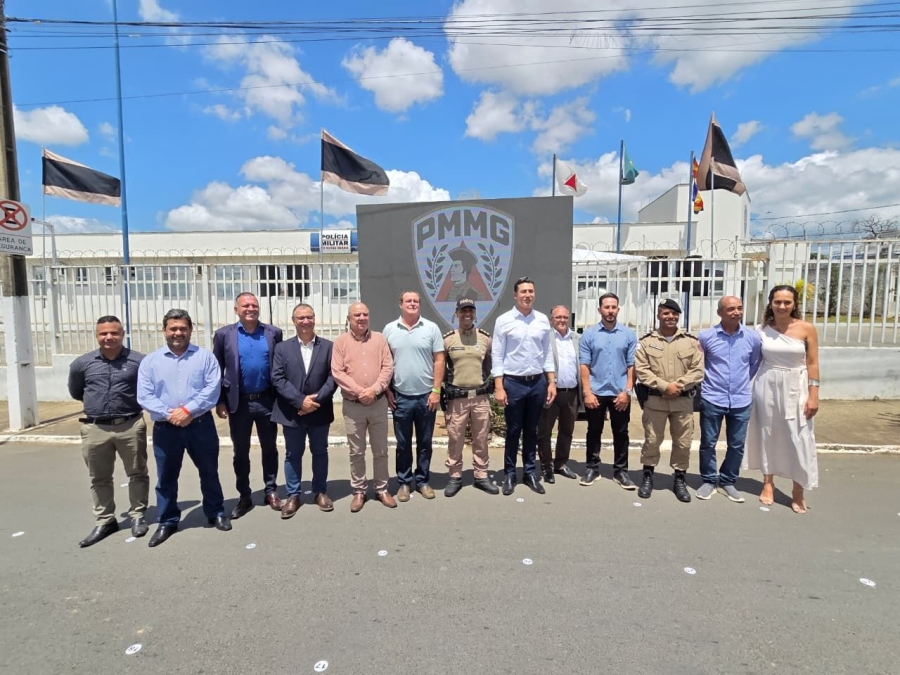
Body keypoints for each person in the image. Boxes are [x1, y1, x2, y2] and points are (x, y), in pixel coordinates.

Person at [137, 309, 230, 547]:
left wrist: (188, 410)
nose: (178, 333)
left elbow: (212, 389)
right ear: (164, 330)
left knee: (209, 471)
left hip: (200, 424)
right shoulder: (151, 361)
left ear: (190, 330)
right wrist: (171, 415)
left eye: (183, 328)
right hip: (165, 427)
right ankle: (167, 520)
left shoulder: (205, 357)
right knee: (166, 477)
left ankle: (216, 512)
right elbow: (145, 396)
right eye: (173, 328)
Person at [68, 316, 149, 548]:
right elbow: (76, 391)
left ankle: (137, 515)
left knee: (137, 472)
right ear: (97, 335)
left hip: (130, 425)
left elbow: (147, 388)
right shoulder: (82, 364)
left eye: (114, 332)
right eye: (103, 333)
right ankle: (105, 520)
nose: (109, 337)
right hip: (95, 428)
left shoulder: (139, 361)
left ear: (122, 334)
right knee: (99, 477)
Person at [745, 285, 820, 514]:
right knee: (767, 433)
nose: (782, 306)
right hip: (767, 384)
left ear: (794, 304)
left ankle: (798, 489)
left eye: (787, 302)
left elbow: (813, 363)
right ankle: (768, 483)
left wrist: (814, 395)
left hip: (797, 385)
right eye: (777, 301)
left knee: (798, 436)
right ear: (770, 303)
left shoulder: (806, 328)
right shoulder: (761, 330)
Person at [213, 292, 284, 519]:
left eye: (254, 305)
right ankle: (244, 495)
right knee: (240, 452)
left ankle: (270, 490)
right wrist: (220, 401)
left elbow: (279, 366)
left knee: (270, 448)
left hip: (266, 400)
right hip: (239, 403)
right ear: (236, 310)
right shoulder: (224, 335)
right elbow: (217, 370)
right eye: (245, 305)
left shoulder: (273, 333)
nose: (250, 308)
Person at [633, 299, 704, 503]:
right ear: (658, 315)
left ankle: (679, 479)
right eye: (665, 313)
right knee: (652, 440)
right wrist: (665, 386)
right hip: (655, 401)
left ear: (678, 316)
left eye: (674, 314)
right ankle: (648, 476)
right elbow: (642, 370)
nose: (670, 317)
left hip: (682, 402)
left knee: (683, 442)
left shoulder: (691, 342)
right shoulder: (646, 342)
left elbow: (698, 370)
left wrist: (677, 386)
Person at [491, 276, 556, 496]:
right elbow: (497, 355)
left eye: (530, 291)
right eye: (523, 292)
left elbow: (547, 353)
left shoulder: (542, 320)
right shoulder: (504, 320)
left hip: (537, 382)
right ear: (515, 295)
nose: (527, 295)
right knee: (513, 430)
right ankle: (510, 474)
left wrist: (551, 381)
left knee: (531, 430)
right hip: (513, 383)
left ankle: (529, 473)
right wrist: (499, 386)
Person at [271, 303, 336, 518]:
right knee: (292, 454)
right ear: (293, 321)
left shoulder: (328, 346)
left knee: (320, 452)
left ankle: (320, 491)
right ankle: (293, 495)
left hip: (320, 410)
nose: (305, 321)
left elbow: (333, 376)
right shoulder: (282, 348)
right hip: (292, 412)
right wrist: (300, 402)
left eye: (309, 317)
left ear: (314, 319)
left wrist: (315, 401)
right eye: (301, 318)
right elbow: (277, 378)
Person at [332, 302, 397, 512]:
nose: (361, 318)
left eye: (365, 314)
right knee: (356, 452)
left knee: (381, 450)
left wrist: (375, 390)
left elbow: (388, 367)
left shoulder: (379, 339)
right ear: (349, 319)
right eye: (357, 315)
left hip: (378, 404)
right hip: (353, 407)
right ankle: (359, 491)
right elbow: (337, 372)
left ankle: (381, 489)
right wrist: (361, 391)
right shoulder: (340, 342)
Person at [696, 296, 762, 503]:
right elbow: (700, 364)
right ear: (720, 313)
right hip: (712, 397)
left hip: (741, 400)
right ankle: (709, 480)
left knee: (737, 444)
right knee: (708, 442)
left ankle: (727, 480)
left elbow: (754, 364)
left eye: (739, 308)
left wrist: (739, 384)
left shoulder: (752, 337)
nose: (736, 312)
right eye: (731, 309)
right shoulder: (706, 337)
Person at [383, 291, 445, 501]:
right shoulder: (390, 329)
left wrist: (436, 390)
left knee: (425, 443)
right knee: (402, 444)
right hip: (400, 397)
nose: (412, 304)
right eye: (408, 301)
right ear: (400, 304)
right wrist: (387, 390)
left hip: (427, 396)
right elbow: (385, 362)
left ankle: (423, 481)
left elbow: (439, 360)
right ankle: (404, 482)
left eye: (416, 301)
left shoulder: (431, 328)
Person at [578, 293, 638, 489]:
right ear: (600, 310)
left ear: (618, 310)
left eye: (613, 307)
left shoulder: (628, 334)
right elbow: (584, 365)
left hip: (620, 392)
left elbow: (632, 365)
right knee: (593, 431)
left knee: (621, 432)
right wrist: (587, 392)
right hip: (596, 392)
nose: (610, 311)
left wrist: (627, 391)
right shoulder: (589, 334)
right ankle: (592, 468)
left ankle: (621, 471)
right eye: (606, 307)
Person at [441, 297, 498, 497]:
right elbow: (440, 367)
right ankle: (455, 476)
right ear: (457, 313)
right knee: (455, 438)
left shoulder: (485, 338)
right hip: (457, 398)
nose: (467, 314)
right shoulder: (448, 339)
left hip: (480, 397)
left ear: (475, 313)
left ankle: (481, 475)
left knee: (481, 438)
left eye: (470, 311)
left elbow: (491, 364)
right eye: (463, 311)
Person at [536, 305, 581, 483]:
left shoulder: (577, 338)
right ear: (551, 319)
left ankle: (561, 463)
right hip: (550, 392)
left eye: (565, 317)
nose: (562, 320)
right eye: (558, 317)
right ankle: (546, 466)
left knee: (566, 431)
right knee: (544, 432)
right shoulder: (544, 337)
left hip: (571, 393)